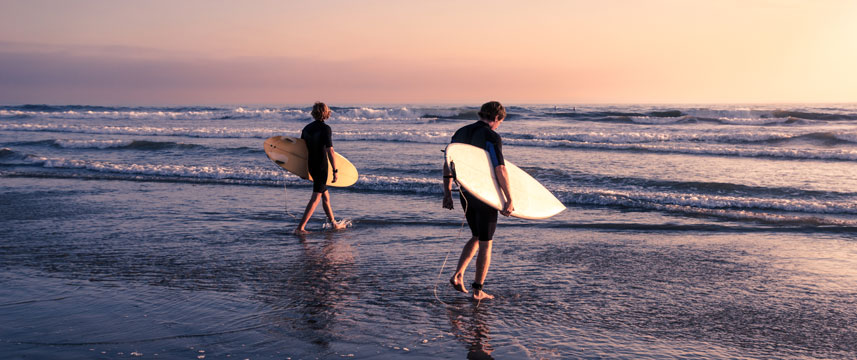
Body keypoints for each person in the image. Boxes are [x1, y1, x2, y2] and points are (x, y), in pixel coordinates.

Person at [443, 101, 513, 301]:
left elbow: (447, 163)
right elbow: (500, 169)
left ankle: (458, 275)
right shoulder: (492, 136)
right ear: (497, 118)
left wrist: (447, 192)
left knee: (476, 235)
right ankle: (478, 290)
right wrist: (509, 198)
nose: (499, 126)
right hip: (484, 194)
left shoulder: (461, 132)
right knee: (486, 243)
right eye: (500, 122)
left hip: (465, 192)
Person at [295, 102, 347, 234]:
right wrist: (335, 171)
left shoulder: (306, 129)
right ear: (326, 113)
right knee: (316, 198)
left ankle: (334, 223)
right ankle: (300, 228)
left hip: (311, 165)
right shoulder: (325, 129)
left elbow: (302, 151)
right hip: (321, 167)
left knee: (325, 196)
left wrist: (302, 170)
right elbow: (330, 151)